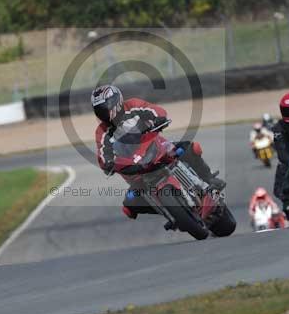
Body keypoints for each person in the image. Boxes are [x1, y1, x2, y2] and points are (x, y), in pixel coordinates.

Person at [91, 84, 226, 219]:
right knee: (129, 205)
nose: (104, 112)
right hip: (135, 171)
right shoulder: (102, 132)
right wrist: (108, 163)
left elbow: (153, 110)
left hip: (157, 148)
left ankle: (209, 180)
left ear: (116, 101)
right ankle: (167, 212)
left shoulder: (132, 105)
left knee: (190, 148)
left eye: (105, 107)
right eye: (99, 110)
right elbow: (103, 154)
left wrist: (158, 119)